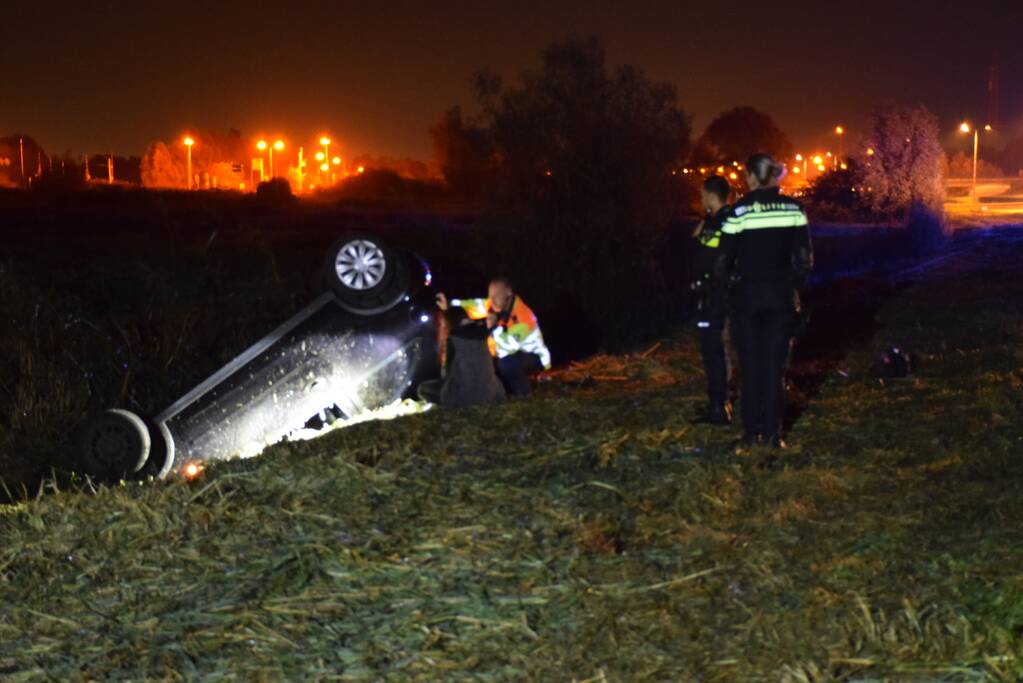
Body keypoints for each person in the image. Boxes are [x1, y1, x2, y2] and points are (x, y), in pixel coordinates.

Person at [714, 154, 813, 449]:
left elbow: (722, 260)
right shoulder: (795, 209)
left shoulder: (738, 212)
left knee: (750, 364)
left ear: (754, 177)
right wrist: (794, 288)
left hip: (746, 299)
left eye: (747, 176)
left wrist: (727, 288)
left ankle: (750, 433)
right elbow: (805, 260)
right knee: (774, 366)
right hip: (780, 298)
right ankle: (773, 435)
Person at [435, 277, 552, 396]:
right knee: (491, 364)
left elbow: (507, 347)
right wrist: (449, 304)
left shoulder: (523, 317)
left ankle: (524, 393)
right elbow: (474, 304)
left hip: (534, 356)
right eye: (490, 296)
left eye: (496, 296)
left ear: (508, 293)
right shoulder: (497, 305)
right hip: (511, 353)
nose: (492, 300)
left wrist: (492, 327)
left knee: (505, 364)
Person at [690, 174, 734, 425]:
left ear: (711, 194)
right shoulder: (712, 219)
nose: (699, 197)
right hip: (708, 295)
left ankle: (719, 407)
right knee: (712, 351)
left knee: (714, 351)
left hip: (716, 296)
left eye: (702, 193)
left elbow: (717, 258)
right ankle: (717, 403)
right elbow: (697, 243)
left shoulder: (726, 221)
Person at [418, 307, 506, 408]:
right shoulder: (481, 334)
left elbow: (448, 374)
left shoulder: (454, 339)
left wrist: (446, 396)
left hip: (465, 397)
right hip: (490, 393)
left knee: (423, 388)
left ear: (448, 322)